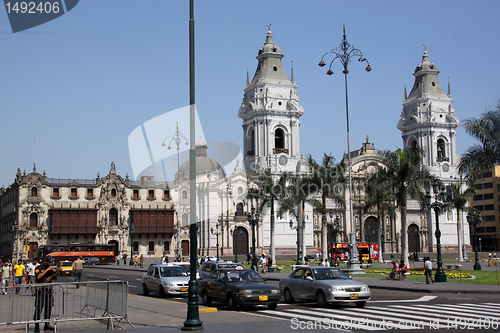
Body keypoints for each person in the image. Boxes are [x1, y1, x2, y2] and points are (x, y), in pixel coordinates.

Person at [33, 255, 57, 332]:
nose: (50, 264)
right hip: (41, 291)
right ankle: (37, 325)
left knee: (48, 308)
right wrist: (47, 270)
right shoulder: (39, 268)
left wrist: (55, 272)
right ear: (44, 261)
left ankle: (47, 324)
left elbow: (55, 278)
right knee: (39, 308)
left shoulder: (50, 268)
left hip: (49, 290)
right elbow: (38, 277)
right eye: (48, 262)